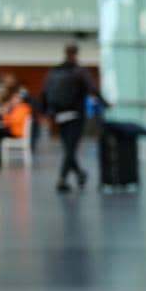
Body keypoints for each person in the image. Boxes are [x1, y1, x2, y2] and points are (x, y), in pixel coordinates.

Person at [40, 45, 103, 192]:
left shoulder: (54, 72)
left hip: (60, 115)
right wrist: (104, 103)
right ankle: (62, 179)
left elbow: (45, 92)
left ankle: (79, 174)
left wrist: (45, 111)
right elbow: (93, 89)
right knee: (71, 148)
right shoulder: (79, 71)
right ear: (76, 54)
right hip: (76, 114)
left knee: (68, 147)